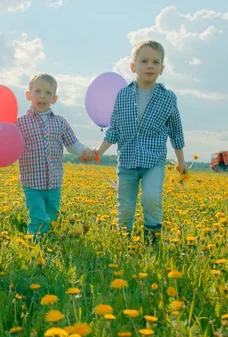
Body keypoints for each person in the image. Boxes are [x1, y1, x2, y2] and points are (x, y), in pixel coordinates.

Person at [96, 40, 187, 246]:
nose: (150, 66)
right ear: (133, 66)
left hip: (153, 161)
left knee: (151, 198)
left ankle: (151, 242)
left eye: (155, 62)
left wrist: (181, 161)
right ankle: (124, 241)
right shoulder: (123, 95)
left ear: (162, 69)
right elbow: (115, 129)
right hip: (126, 161)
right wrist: (99, 151)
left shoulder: (168, 98)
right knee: (125, 206)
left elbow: (176, 131)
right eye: (144, 61)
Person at [17, 73, 96, 237]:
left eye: (48, 93)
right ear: (28, 95)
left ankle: (51, 240)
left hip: (54, 181)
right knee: (38, 216)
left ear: (54, 98)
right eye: (38, 91)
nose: (42, 96)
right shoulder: (20, 122)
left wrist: (85, 152)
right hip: (32, 182)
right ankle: (36, 244)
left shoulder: (60, 122)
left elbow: (73, 144)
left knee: (53, 216)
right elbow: (7, 145)